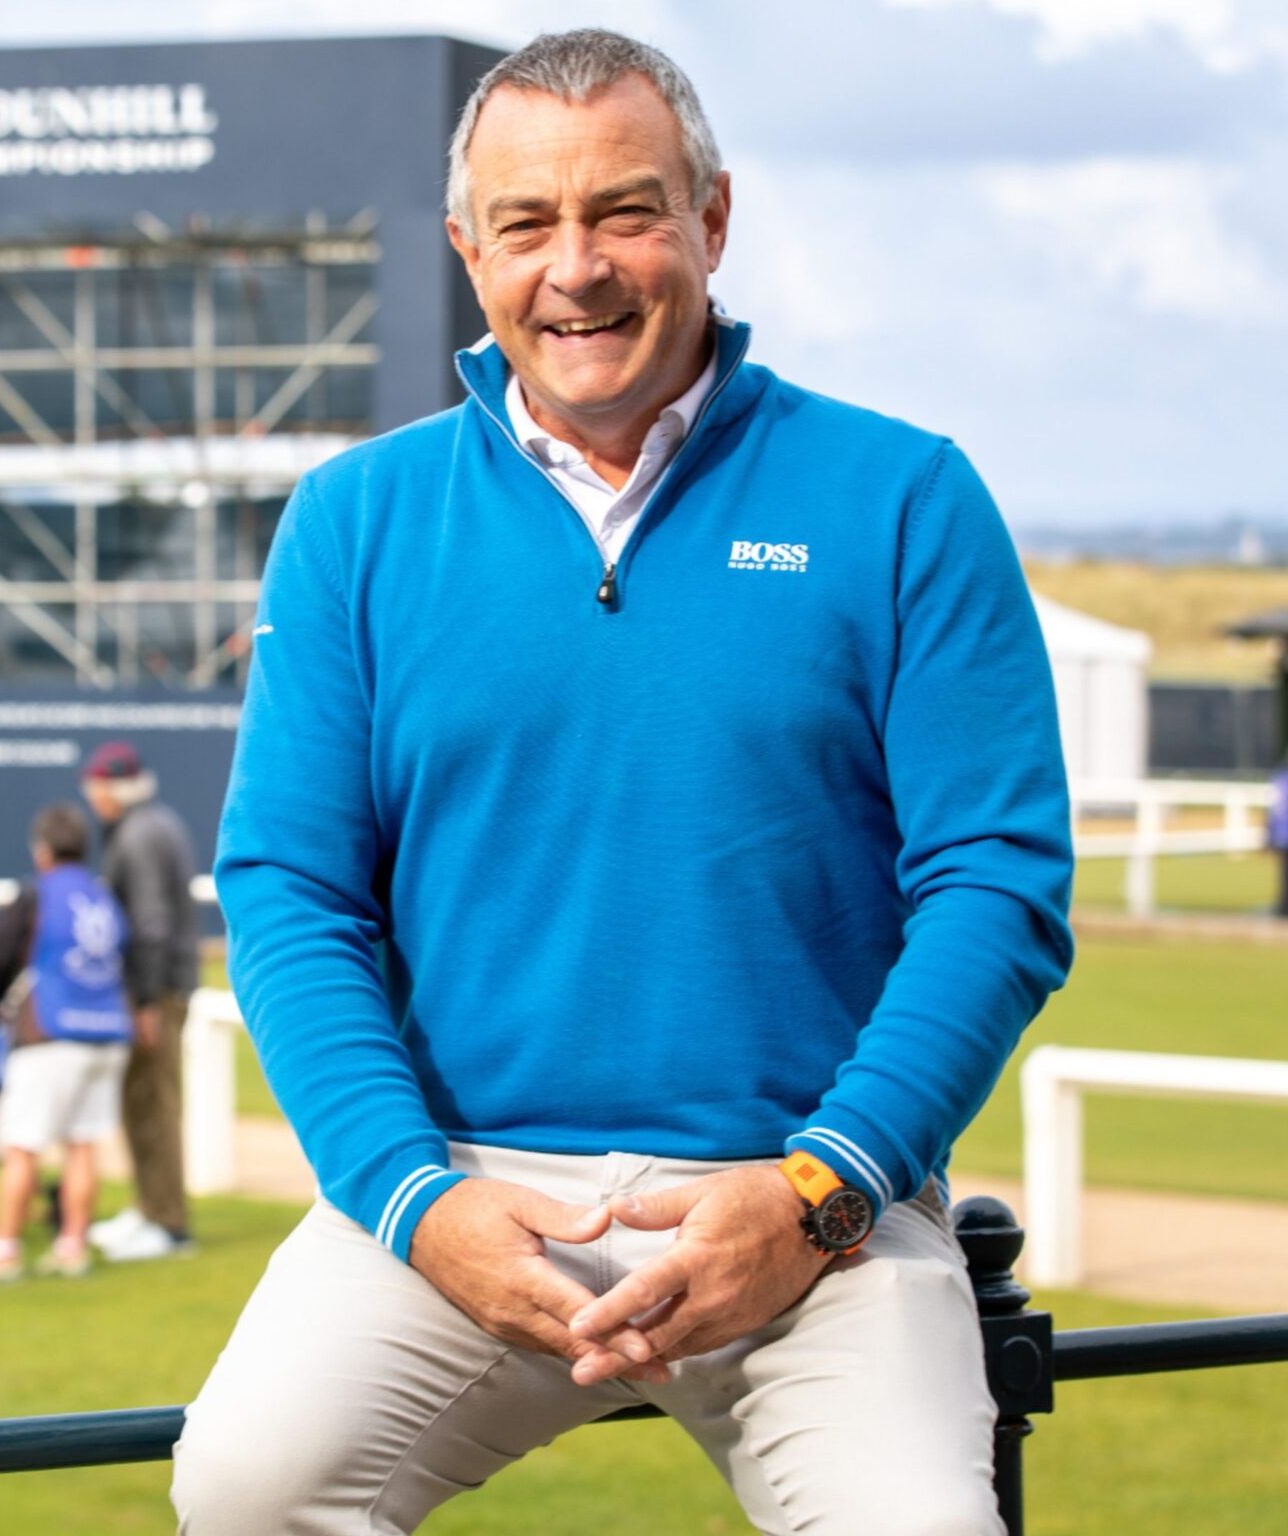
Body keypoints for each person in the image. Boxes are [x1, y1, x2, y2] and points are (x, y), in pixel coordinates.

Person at [177, 31, 1074, 1536]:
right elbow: (292, 891)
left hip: (812, 1206)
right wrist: (416, 1200)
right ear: (471, 251)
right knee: (245, 1488)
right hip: (464, 1192)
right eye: (527, 224)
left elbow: (998, 883)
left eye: (628, 212)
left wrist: (823, 1192)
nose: (576, 267)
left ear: (713, 221)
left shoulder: (906, 496)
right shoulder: (355, 520)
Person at [0, 803, 132, 1288]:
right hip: (109, 1034)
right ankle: (72, 1246)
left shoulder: (37, 896)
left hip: (51, 1034)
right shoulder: (101, 895)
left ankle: (3, 1251)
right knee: (83, 1144)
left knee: (22, 1146)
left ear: (42, 850)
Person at [74, 741, 202, 1263]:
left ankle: (169, 1224)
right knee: (140, 1101)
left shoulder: (140, 834)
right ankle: (149, 1208)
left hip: (157, 992)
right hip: (161, 987)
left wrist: (145, 1000)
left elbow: (150, 923)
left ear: (111, 789)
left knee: (154, 1105)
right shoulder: (152, 824)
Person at [1268, 755, 1288, 918]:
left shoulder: (1279, 779)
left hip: (1281, 834)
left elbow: (1274, 810)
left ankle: (1283, 908)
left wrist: (1270, 834)